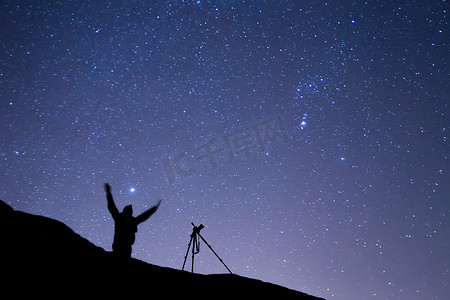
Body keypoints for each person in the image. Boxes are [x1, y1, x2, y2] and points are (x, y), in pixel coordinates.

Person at [104, 183, 161, 258]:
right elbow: (111, 206)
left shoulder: (129, 219)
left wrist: (154, 208)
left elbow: (144, 216)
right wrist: (108, 193)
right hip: (120, 245)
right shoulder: (121, 217)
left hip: (126, 246)